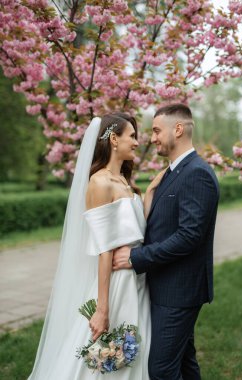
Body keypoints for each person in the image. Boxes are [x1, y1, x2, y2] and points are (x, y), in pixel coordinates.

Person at [28, 114, 151, 379]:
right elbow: (104, 249)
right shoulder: (100, 183)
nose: (137, 142)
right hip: (118, 284)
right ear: (114, 140)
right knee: (110, 359)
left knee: (136, 355)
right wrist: (102, 307)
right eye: (132, 136)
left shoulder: (127, 184)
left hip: (139, 280)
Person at [113, 104, 220, 380]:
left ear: (179, 129)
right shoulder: (173, 173)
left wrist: (137, 257)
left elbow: (189, 236)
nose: (153, 138)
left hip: (179, 291)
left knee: (161, 369)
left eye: (157, 130)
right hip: (166, 286)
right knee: (184, 361)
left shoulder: (197, 173)